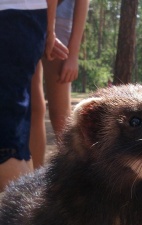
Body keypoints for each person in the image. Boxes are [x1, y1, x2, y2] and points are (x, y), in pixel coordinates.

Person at [0, 0, 69, 192]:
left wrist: (48, 28)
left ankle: (20, 219)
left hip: (14, 16)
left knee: (6, 140)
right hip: (20, 19)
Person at [30, 0, 89, 169]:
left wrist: (73, 55)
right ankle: (36, 177)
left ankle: (74, 174)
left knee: (60, 115)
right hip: (30, 19)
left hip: (61, 25)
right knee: (34, 108)